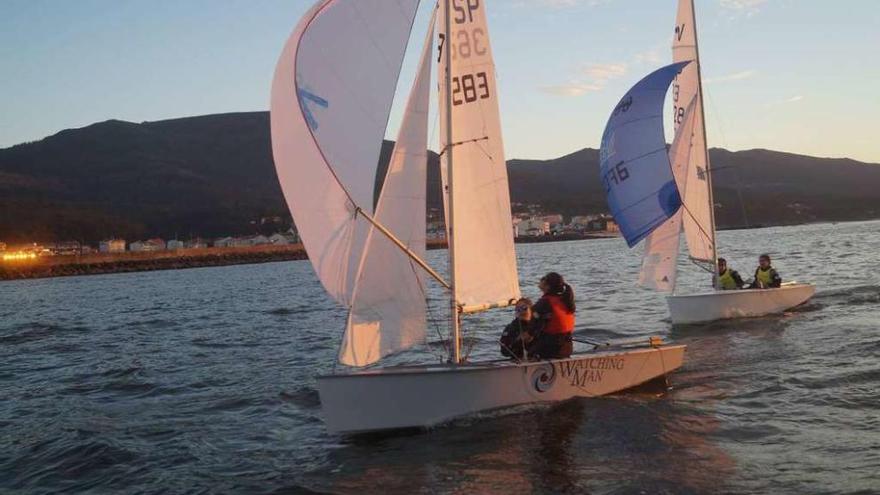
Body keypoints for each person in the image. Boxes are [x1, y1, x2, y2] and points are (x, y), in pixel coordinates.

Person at [528, 272, 575, 360]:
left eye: (543, 279)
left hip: (551, 348)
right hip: (567, 347)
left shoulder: (544, 303)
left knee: (527, 347)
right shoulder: (565, 300)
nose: (540, 280)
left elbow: (533, 326)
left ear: (548, 286)